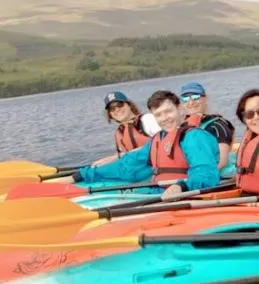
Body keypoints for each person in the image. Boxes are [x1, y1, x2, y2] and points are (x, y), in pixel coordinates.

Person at [64, 90, 221, 200]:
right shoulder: (159, 139)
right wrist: (82, 175)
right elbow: (128, 165)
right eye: (158, 115)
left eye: (168, 112)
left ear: (179, 109)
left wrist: (181, 187)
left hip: (185, 197)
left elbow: (206, 175)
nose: (164, 118)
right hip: (159, 193)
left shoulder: (194, 138)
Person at [179, 82, 236, 171]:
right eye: (185, 99)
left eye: (195, 97)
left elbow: (222, 161)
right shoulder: (183, 128)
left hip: (215, 177)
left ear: (205, 98)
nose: (191, 102)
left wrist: (202, 177)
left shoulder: (218, 125)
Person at [92, 91, 160, 166]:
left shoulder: (147, 119)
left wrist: (118, 157)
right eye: (112, 109)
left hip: (154, 165)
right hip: (135, 170)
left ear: (129, 105)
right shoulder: (119, 133)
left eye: (119, 105)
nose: (117, 109)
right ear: (110, 114)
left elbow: (164, 142)